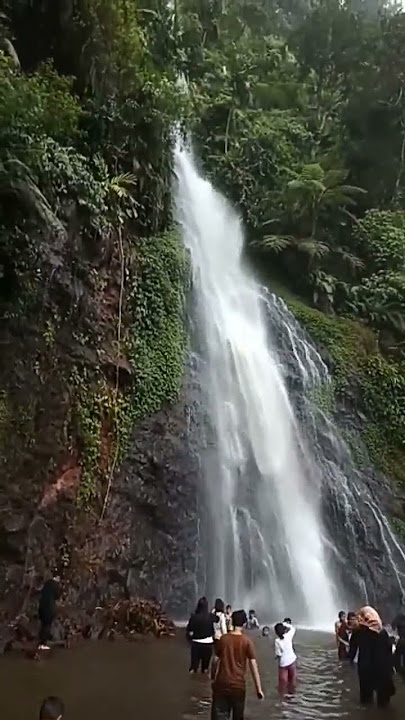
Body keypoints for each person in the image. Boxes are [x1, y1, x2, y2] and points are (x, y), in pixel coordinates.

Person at [211, 609, 264, 720]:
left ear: (231, 621)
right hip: (238, 687)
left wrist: (213, 678)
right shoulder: (246, 641)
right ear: (244, 623)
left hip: (222, 684)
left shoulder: (223, 639)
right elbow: (253, 666)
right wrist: (258, 689)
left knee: (218, 716)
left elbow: (215, 660)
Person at [348, 606, 395, 708]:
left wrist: (350, 662)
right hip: (382, 669)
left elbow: (352, 650)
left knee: (366, 699)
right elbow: (389, 650)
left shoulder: (358, 631)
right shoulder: (382, 632)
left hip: (365, 668)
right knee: (383, 701)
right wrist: (391, 667)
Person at [186, 597, 215, 674]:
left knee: (193, 667)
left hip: (196, 643)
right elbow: (218, 619)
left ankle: (192, 683)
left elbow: (189, 631)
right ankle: (204, 683)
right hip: (208, 644)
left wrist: (189, 641)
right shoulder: (210, 616)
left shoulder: (194, 617)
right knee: (205, 668)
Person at [38, 574, 61, 650]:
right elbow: (57, 595)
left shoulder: (44, 584)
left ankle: (40, 642)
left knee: (43, 624)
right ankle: (43, 643)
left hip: (41, 607)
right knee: (47, 625)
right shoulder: (54, 584)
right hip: (50, 608)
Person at [274, 620, 297, 694]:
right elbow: (293, 628)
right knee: (292, 680)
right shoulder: (288, 636)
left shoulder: (277, 641)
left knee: (283, 682)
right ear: (284, 630)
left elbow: (279, 654)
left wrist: (276, 658)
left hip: (283, 663)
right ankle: (292, 695)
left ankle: (282, 698)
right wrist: (285, 624)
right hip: (292, 660)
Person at [391, 599, 405, 680]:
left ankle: (401, 674)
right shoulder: (400, 616)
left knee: (396, 660)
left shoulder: (399, 616)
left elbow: (393, 626)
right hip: (402, 640)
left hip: (402, 641)